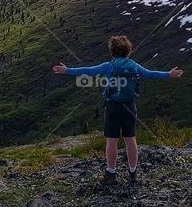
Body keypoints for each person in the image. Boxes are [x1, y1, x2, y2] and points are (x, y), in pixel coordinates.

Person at [53, 35, 183, 185]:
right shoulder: (134, 66)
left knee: (112, 140)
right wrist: (169, 74)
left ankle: (111, 173)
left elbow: (88, 71)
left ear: (112, 51)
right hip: (129, 105)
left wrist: (66, 70)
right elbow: (151, 74)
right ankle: (133, 173)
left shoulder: (109, 66)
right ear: (128, 50)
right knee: (130, 138)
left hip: (112, 106)